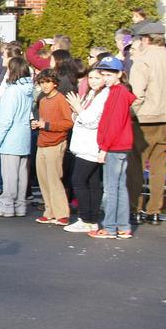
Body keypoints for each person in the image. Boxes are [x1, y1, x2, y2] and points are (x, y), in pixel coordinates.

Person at [126, 21, 166, 224]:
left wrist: (132, 113)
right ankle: (154, 210)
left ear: (145, 39)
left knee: (136, 165)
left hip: (144, 119)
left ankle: (135, 207)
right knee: (158, 166)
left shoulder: (143, 61)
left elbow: (137, 94)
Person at [89, 57, 136, 239]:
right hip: (121, 146)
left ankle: (109, 227)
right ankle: (123, 226)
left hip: (114, 146)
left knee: (110, 188)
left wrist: (104, 147)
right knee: (120, 187)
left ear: (119, 74)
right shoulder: (121, 92)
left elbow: (112, 123)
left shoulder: (116, 93)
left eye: (109, 74)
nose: (106, 78)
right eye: (104, 74)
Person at [0, 57, 34, 217]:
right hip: (23, 135)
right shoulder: (28, 89)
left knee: (9, 175)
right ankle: (20, 206)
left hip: (10, 138)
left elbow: (5, 119)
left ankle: (6, 206)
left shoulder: (12, 91)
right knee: (21, 175)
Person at [64, 67, 109, 233]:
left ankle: (86, 218)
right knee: (92, 181)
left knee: (78, 180)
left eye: (97, 78)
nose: (93, 81)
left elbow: (91, 121)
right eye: (90, 78)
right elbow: (78, 117)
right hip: (83, 143)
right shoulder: (91, 94)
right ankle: (91, 219)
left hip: (91, 144)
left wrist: (78, 108)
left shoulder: (104, 96)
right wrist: (77, 110)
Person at [31, 69, 74, 226]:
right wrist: (38, 124)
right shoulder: (42, 100)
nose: (44, 86)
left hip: (56, 143)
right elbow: (43, 120)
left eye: (47, 82)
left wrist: (47, 125)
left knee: (54, 179)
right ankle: (49, 211)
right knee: (43, 179)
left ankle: (62, 213)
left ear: (54, 83)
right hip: (42, 142)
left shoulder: (60, 99)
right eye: (42, 82)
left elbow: (68, 123)